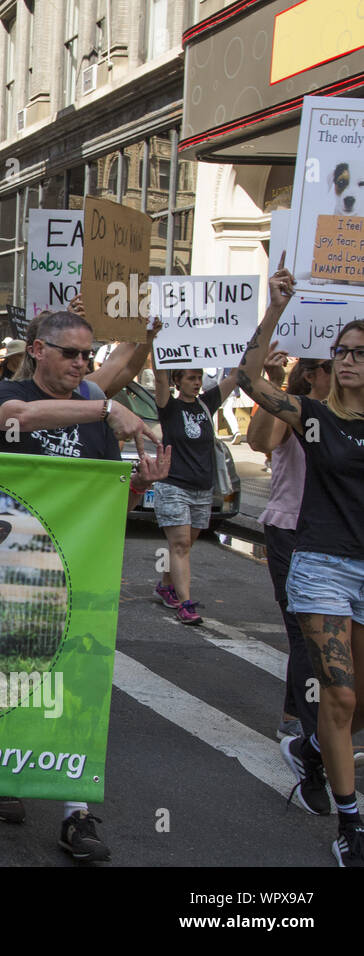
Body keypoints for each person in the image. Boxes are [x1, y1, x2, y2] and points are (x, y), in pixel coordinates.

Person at [0, 308, 170, 861]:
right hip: (10, 568)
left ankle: (75, 813)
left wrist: (138, 487)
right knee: (13, 677)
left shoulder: (94, 417)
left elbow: (107, 497)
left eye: (89, 355)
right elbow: (23, 417)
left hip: (77, 570)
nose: (83, 363)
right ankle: (8, 773)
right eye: (72, 353)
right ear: (37, 350)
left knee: (75, 686)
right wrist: (107, 404)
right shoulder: (7, 396)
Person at [236, 259, 364, 866]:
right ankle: (351, 823)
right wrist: (277, 306)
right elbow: (246, 378)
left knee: (357, 704)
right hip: (321, 567)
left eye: (360, 352)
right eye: (343, 351)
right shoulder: (312, 416)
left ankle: (313, 750)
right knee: (338, 697)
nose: (348, 361)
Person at [248, 349, 329, 813]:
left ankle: (295, 713)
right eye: (341, 362)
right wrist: (272, 391)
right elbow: (261, 442)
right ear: (316, 374)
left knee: (321, 637)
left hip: (341, 539)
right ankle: (310, 743)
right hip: (290, 528)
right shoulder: (294, 409)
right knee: (304, 635)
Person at [151, 362, 239, 625]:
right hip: (173, 485)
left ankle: (166, 585)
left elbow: (235, 376)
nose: (197, 382)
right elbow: (158, 378)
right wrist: (157, 345)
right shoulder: (169, 407)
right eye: (191, 378)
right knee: (179, 545)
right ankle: (186, 605)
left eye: (199, 378)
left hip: (202, 489)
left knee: (184, 545)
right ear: (177, 382)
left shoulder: (205, 404)